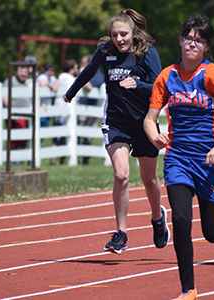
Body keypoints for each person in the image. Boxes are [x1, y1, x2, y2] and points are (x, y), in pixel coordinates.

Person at [144, 14, 214, 300]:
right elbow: (150, 119)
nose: (192, 44)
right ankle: (189, 289)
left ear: (206, 45)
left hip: (210, 160)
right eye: (188, 38)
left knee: (211, 234)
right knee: (181, 221)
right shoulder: (167, 76)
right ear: (180, 40)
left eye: (198, 40)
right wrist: (155, 136)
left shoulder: (212, 74)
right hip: (177, 160)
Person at [64, 9, 169, 255]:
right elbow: (90, 70)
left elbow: (160, 87)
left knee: (149, 179)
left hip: (144, 123)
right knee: (121, 175)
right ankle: (121, 233)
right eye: (114, 35)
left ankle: (157, 218)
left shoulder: (147, 53)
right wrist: (72, 91)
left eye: (123, 34)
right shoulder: (105, 50)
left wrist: (139, 84)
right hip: (116, 122)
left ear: (134, 33)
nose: (119, 39)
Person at [77, 54, 105, 165]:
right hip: (80, 109)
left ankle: (85, 159)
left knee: (88, 136)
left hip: (90, 111)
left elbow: (89, 87)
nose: (80, 65)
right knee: (77, 134)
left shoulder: (97, 74)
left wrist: (82, 75)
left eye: (83, 63)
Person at [52, 59, 78, 165]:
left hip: (57, 107)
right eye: (75, 68)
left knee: (57, 135)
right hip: (66, 108)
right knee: (64, 135)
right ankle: (60, 159)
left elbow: (55, 87)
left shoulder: (61, 76)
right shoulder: (71, 78)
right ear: (71, 70)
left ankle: (53, 159)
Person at [3, 65, 31, 151]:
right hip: (15, 115)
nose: (23, 74)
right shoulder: (10, 81)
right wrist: (9, 109)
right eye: (21, 72)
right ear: (16, 72)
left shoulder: (29, 82)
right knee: (15, 136)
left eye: (25, 72)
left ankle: (20, 157)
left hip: (27, 114)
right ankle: (13, 157)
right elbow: (5, 96)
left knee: (24, 137)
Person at [37, 62, 59, 128]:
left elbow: (57, 82)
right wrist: (51, 86)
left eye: (52, 71)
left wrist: (55, 85)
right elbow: (42, 83)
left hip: (47, 107)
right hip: (40, 105)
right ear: (45, 71)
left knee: (45, 126)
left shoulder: (52, 78)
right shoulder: (42, 76)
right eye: (48, 71)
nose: (50, 73)